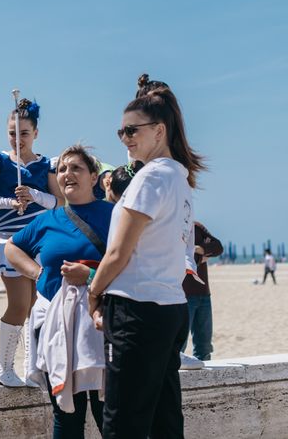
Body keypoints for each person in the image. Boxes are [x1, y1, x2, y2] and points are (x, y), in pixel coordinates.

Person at [88, 78, 205, 438]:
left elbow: (119, 253)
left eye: (132, 130)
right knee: (163, 419)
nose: (125, 138)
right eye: (121, 131)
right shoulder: (179, 179)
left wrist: (94, 292)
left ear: (159, 131)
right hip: (170, 307)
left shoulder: (150, 178)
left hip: (137, 309)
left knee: (123, 422)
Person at [5, 144, 113, 438]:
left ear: (93, 177)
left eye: (76, 168)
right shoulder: (45, 221)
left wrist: (90, 276)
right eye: (62, 169)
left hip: (105, 324)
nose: (67, 174)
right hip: (57, 328)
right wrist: (36, 273)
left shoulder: (114, 215)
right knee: (66, 415)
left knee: (110, 414)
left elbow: (132, 262)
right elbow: (11, 247)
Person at [0, 98, 62, 387]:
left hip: (40, 241)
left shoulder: (48, 165)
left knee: (38, 305)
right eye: (12, 132)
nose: (17, 139)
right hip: (10, 241)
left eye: (23, 133)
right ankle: (3, 367)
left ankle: (32, 365)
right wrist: (10, 202)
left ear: (35, 133)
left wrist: (35, 196)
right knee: (21, 304)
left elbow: (59, 203)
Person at [182, 222, 223, 362]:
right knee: (179, 344)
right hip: (183, 295)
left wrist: (196, 249)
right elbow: (178, 256)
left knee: (204, 346)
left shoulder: (197, 227)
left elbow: (218, 247)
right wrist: (203, 255)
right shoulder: (171, 226)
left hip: (204, 294)